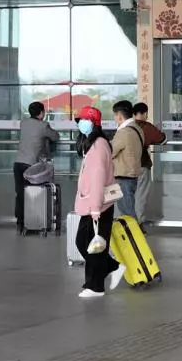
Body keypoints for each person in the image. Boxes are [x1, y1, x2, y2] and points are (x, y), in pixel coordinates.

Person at [73, 106, 125, 298]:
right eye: (80, 120)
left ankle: (95, 287)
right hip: (95, 202)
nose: (81, 124)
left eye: (85, 120)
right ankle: (112, 267)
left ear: (94, 123)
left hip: (97, 205)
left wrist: (95, 208)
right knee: (90, 243)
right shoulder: (93, 144)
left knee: (90, 244)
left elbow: (97, 178)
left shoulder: (98, 146)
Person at [14, 102, 60, 234]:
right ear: (41, 113)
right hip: (31, 167)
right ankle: (32, 223)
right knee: (32, 195)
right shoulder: (43, 125)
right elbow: (55, 136)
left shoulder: (23, 123)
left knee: (20, 194)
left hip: (18, 164)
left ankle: (20, 223)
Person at [132, 102, 166, 226]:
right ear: (145, 113)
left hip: (126, 166)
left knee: (128, 194)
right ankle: (138, 222)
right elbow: (162, 139)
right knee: (141, 194)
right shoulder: (147, 127)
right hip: (141, 163)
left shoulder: (127, 126)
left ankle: (127, 222)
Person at [110, 100, 144, 220]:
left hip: (123, 177)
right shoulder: (137, 129)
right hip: (132, 175)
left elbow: (111, 152)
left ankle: (134, 231)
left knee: (127, 212)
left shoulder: (124, 132)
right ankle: (132, 229)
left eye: (115, 115)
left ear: (119, 115)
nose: (115, 118)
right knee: (127, 209)